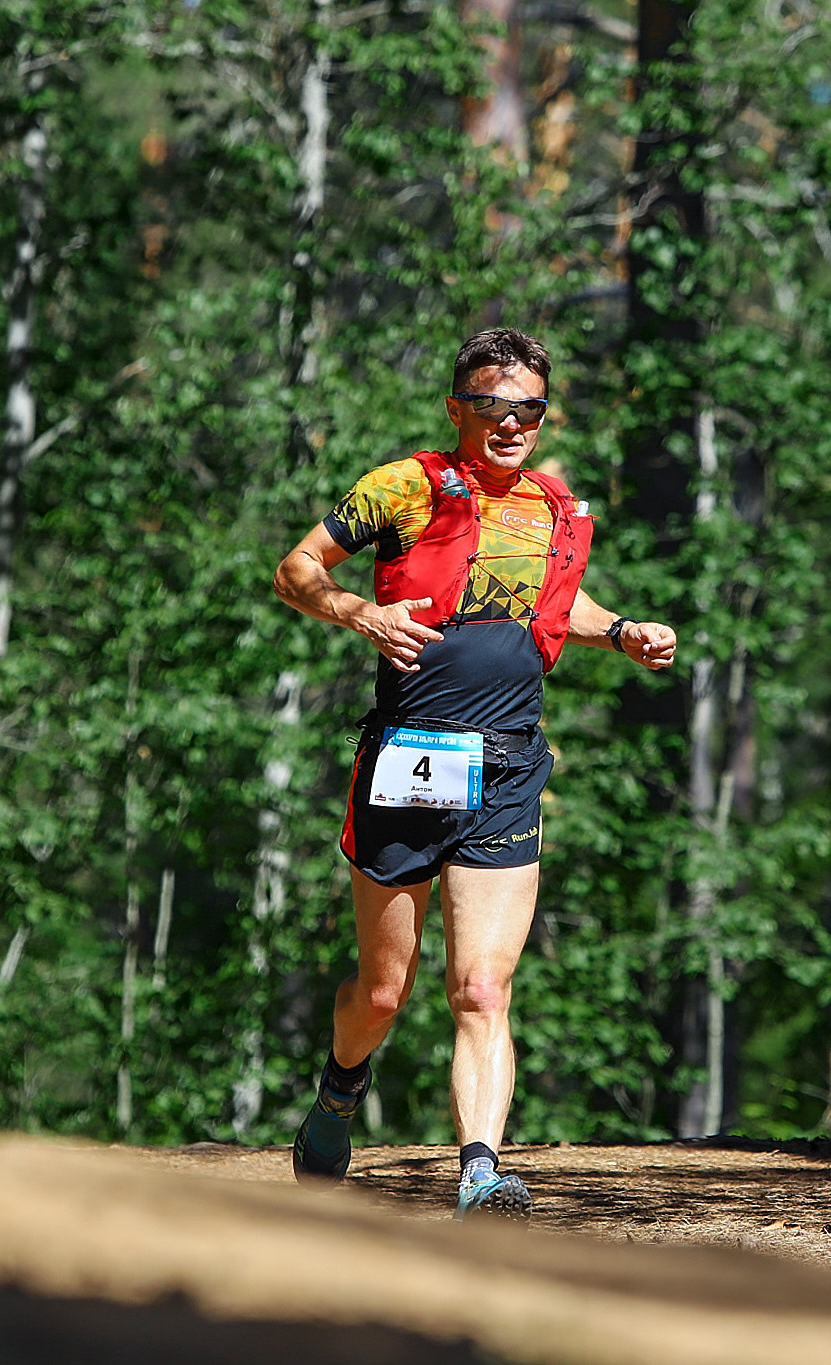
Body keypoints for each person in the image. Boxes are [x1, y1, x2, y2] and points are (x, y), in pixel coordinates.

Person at [273, 327, 677, 1220]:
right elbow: (295, 570)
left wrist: (621, 632)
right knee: (384, 991)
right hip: (409, 757)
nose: (510, 423)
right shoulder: (403, 486)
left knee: (484, 988)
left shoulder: (552, 505)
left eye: (528, 408)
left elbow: (552, 606)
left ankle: (481, 1176)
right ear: (458, 408)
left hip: (508, 765)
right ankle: (340, 1089)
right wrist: (360, 613)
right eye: (492, 405)